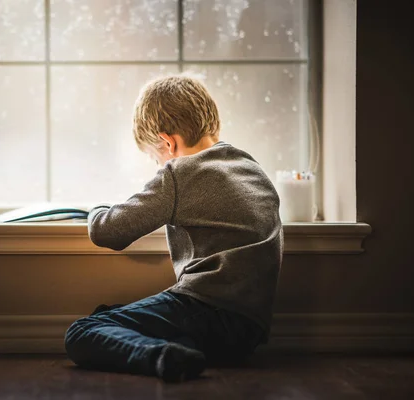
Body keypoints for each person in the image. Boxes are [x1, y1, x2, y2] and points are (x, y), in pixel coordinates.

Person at [64, 73, 283, 383]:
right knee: (109, 314)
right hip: (249, 330)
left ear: (167, 142)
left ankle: (162, 356)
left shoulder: (180, 173)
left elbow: (107, 231)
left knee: (84, 331)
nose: (158, 166)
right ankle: (180, 352)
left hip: (206, 309)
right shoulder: (250, 167)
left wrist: (95, 210)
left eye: (155, 158)